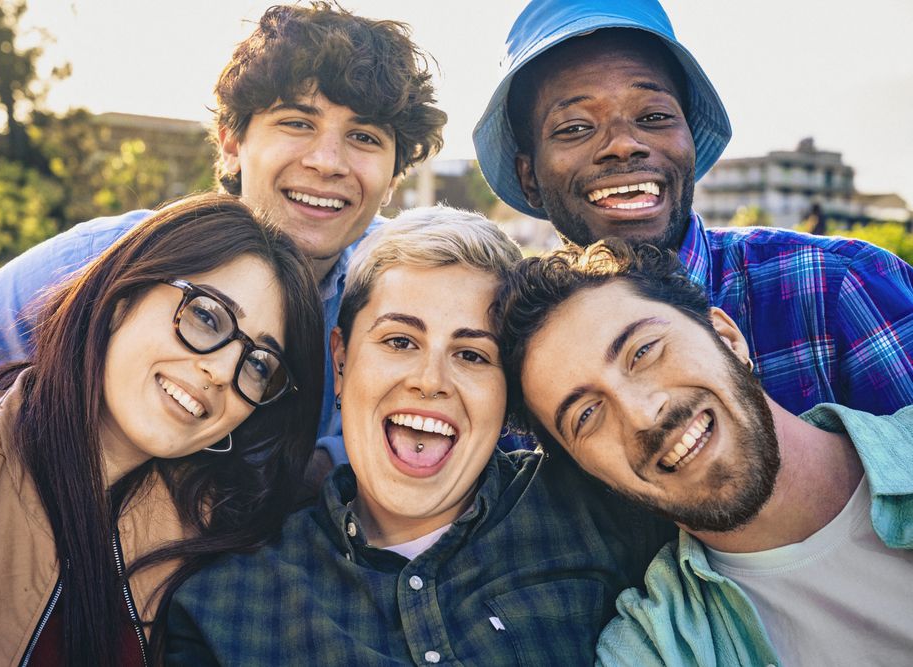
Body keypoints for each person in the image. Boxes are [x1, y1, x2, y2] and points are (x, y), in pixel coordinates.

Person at [0, 2, 446, 473]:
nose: (327, 162)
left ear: (395, 173)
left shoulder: (407, 294)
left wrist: (324, 469)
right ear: (233, 142)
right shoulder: (116, 256)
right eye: (297, 123)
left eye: (363, 137)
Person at [164, 208, 674, 665]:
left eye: (472, 355)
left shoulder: (604, 515)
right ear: (341, 363)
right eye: (400, 341)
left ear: (510, 390)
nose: (430, 381)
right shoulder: (228, 600)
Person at [0, 194, 324, 665]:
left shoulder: (223, 546)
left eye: (259, 364)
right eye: (207, 316)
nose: (223, 371)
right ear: (120, 300)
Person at [473, 0, 913, 416]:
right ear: (530, 176)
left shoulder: (839, 288)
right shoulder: (512, 359)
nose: (624, 144)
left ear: (689, 140)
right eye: (575, 127)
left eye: (653, 116)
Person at [497, 239, 913, 666]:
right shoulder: (654, 650)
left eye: (642, 352)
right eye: (586, 415)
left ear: (728, 338)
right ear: (591, 474)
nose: (641, 415)